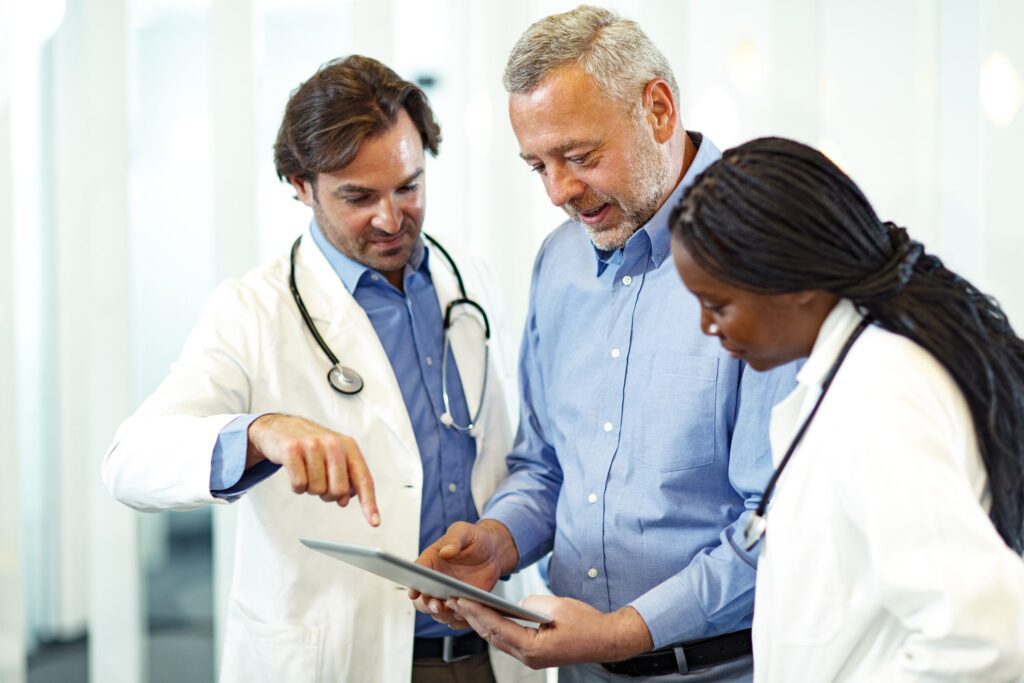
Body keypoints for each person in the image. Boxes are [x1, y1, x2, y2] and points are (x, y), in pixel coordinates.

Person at [102, 55, 543, 683]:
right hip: (342, 659)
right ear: (300, 185)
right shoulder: (252, 310)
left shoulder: (469, 276)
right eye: (358, 197)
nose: (390, 218)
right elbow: (129, 462)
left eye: (408, 187)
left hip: (490, 650)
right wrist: (262, 433)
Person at [410, 7, 797, 682]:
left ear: (658, 110)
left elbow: (779, 523)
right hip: (579, 670)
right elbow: (545, 465)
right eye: (538, 165)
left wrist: (624, 632)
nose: (559, 191)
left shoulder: (770, 252)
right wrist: (497, 541)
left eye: (580, 157)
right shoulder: (560, 262)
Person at [670, 136, 1024, 681]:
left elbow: (984, 635)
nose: (706, 327)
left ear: (797, 282)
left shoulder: (879, 392)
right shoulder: (843, 375)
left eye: (718, 305)